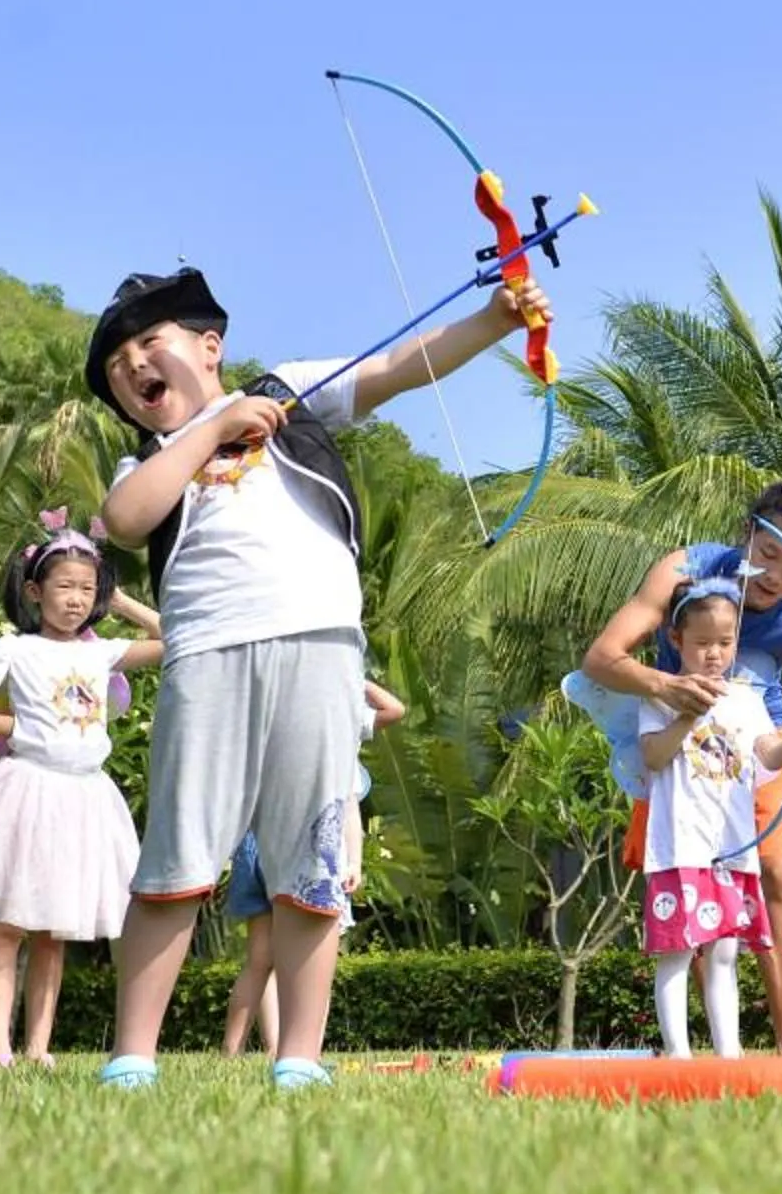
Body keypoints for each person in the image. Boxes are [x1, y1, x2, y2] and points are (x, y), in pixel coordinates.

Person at [86, 261, 541, 1091]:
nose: (132, 367)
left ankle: (299, 1057)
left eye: (149, 343)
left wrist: (494, 321)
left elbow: (398, 368)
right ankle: (132, 1057)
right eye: (117, 369)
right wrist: (212, 433)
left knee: (313, 858)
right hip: (210, 654)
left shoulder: (286, 390)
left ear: (209, 344)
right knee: (177, 855)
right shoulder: (148, 461)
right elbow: (124, 521)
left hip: (324, 647)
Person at [572, 482, 782, 1052]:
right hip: (673, 741)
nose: (777, 575)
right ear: (748, 534)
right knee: (694, 886)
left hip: (758, 738)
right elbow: (601, 659)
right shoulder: (685, 569)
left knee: (777, 874)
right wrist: (672, 689)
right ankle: (699, 1047)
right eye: (769, 553)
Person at [0, 513, 161, 1069]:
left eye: (86, 590)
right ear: (35, 590)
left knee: (54, 928)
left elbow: (172, 637)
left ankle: (39, 1045)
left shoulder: (99, 651)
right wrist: (12, 729)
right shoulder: (15, 650)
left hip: (85, 797)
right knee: (11, 920)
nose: (75, 599)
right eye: (64, 586)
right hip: (28, 790)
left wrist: (117, 604)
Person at [635, 579, 782, 1057]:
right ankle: (679, 1055)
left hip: (731, 850)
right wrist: (688, 715)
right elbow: (653, 755)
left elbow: (769, 755)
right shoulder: (660, 695)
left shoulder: (746, 699)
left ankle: (729, 1056)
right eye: (702, 643)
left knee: (726, 952)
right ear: (676, 640)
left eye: (725, 643)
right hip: (680, 848)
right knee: (677, 953)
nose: (714, 654)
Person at [223, 678, 406, 1057]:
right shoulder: (340, 723)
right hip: (311, 848)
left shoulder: (273, 708)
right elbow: (394, 711)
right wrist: (353, 676)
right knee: (313, 958)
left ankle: (242, 1049)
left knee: (260, 958)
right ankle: (304, 1052)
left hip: (255, 841)